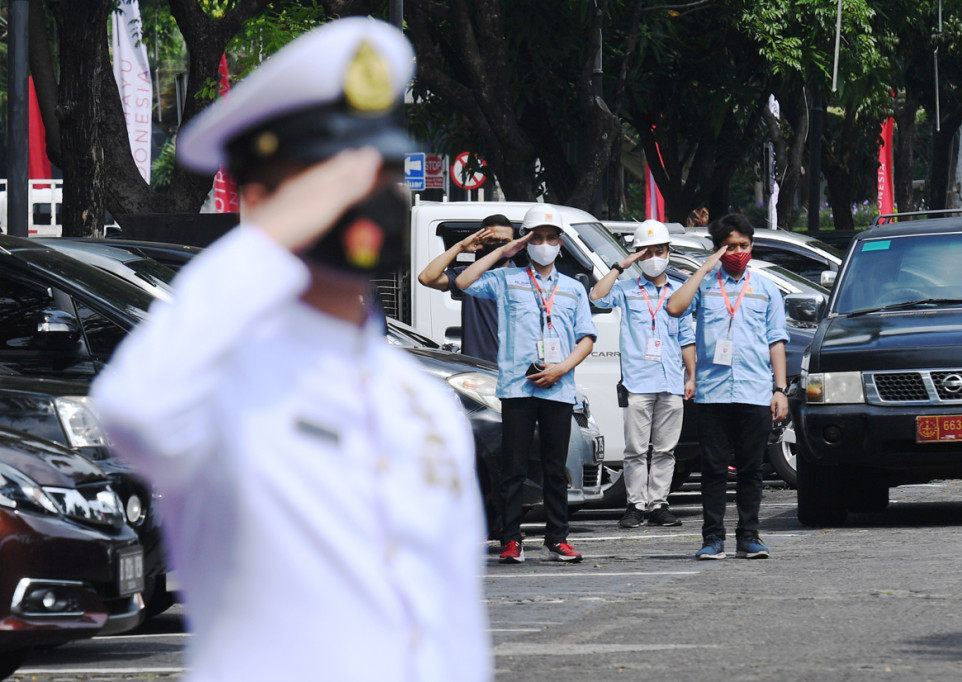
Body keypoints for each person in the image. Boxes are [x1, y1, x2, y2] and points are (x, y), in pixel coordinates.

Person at [89, 18, 490, 682]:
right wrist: (270, 236)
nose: (371, 192)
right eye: (337, 174)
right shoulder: (218, 377)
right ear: (264, 197)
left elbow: (450, 623)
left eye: (382, 170)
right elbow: (133, 410)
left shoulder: (418, 399)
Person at [456, 204, 596, 564]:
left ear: (561, 244)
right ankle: (511, 538)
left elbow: (587, 338)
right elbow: (463, 281)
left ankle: (557, 538)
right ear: (527, 240)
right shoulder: (506, 279)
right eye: (537, 237)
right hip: (517, 387)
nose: (544, 244)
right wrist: (505, 250)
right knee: (513, 466)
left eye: (551, 238)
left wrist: (560, 369)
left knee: (554, 467)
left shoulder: (573, 289)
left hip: (558, 387)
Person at [665, 213, 789, 560]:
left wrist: (780, 389)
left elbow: (776, 341)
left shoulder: (765, 289)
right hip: (712, 392)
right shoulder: (704, 285)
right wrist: (704, 268)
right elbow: (674, 307)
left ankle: (749, 536)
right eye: (729, 246)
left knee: (752, 470)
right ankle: (712, 538)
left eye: (743, 246)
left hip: (754, 390)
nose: (737, 252)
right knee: (714, 470)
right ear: (717, 248)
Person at [590, 220, 696, 529]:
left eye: (659, 251)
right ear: (638, 254)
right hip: (638, 381)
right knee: (635, 449)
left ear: (668, 252)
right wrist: (621, 265)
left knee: (665, 449)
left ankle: (658, 504)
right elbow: (597, 297)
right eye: (646, 252)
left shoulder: (679, 292)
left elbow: (686, 337)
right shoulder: (625, 289)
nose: (653, 257)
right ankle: (635, 504)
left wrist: (692, 376)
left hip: (671, 382)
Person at [416, 214, 514, 362]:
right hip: (477, 369)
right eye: (493, 240)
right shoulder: (466, 276)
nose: (499, 246)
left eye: (505, 241)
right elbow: (426, 277)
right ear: (482, 242)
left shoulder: (524, 279)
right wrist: (461, 246)